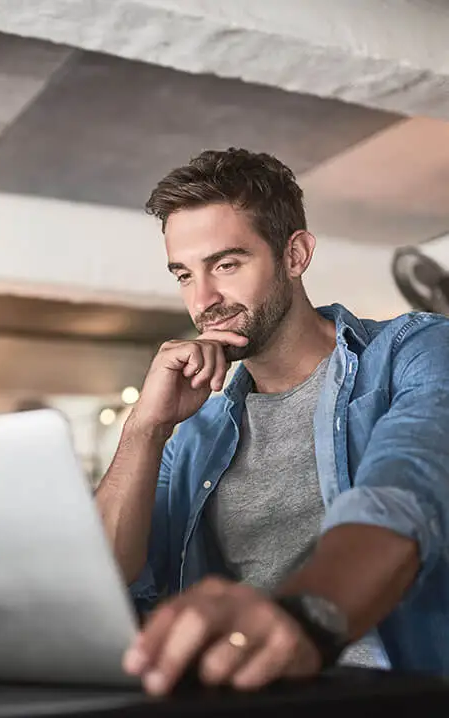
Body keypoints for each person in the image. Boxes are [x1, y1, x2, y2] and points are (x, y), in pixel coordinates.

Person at [95, 148, 449, 696]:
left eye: (226, 265)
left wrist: (302, 620)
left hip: (382, 692)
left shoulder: (413, 351)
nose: (203, 301)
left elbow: (405, 495)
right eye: (184, 275)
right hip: (225, 695)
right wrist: (145, 428)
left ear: (296, 255)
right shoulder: (193, 425)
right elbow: (104, 577)